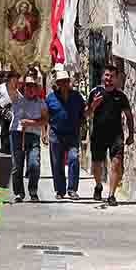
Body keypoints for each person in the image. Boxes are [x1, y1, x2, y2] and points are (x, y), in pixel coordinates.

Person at [87, 64, 134, 207]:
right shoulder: (95, 92)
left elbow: (129, 116)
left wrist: (131, 134)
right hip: (98, 135)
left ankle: (111, 195)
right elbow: (86, 114)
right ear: (103, 76)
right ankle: (98, 185)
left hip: (116, 136)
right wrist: (94, 105)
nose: (108, 78)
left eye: (111, 76)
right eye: (106, 75)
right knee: (97, 164)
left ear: (116, 78)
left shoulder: (121, 96)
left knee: (116, 164)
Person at [7, 73, 49, 202]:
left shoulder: (41, 103)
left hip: (33, 135)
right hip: (17, 134)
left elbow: (45, 120)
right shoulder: (17, 99)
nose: (30, 89)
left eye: (33, 86)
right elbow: (10, 87)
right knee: (17, 166)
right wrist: (17, 73)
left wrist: (31, 123)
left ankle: (33, 190)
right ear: (24, 87)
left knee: (34, 164)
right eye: (28, 86)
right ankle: (19, 193)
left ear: (37, 88)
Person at [45, 68, 85, 200]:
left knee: (74, 158)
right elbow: (46, 116)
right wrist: (44, 133)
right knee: (57, 163)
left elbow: (83, 113)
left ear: (69, 82)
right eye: (61, 82)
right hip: (55, 134)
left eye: (65, 81)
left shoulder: (76, 97)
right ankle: (60, 190)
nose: (63, 84)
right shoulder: (50, 98)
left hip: (72, 134)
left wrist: (92, 108)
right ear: (57, 83)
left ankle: (72, 189)